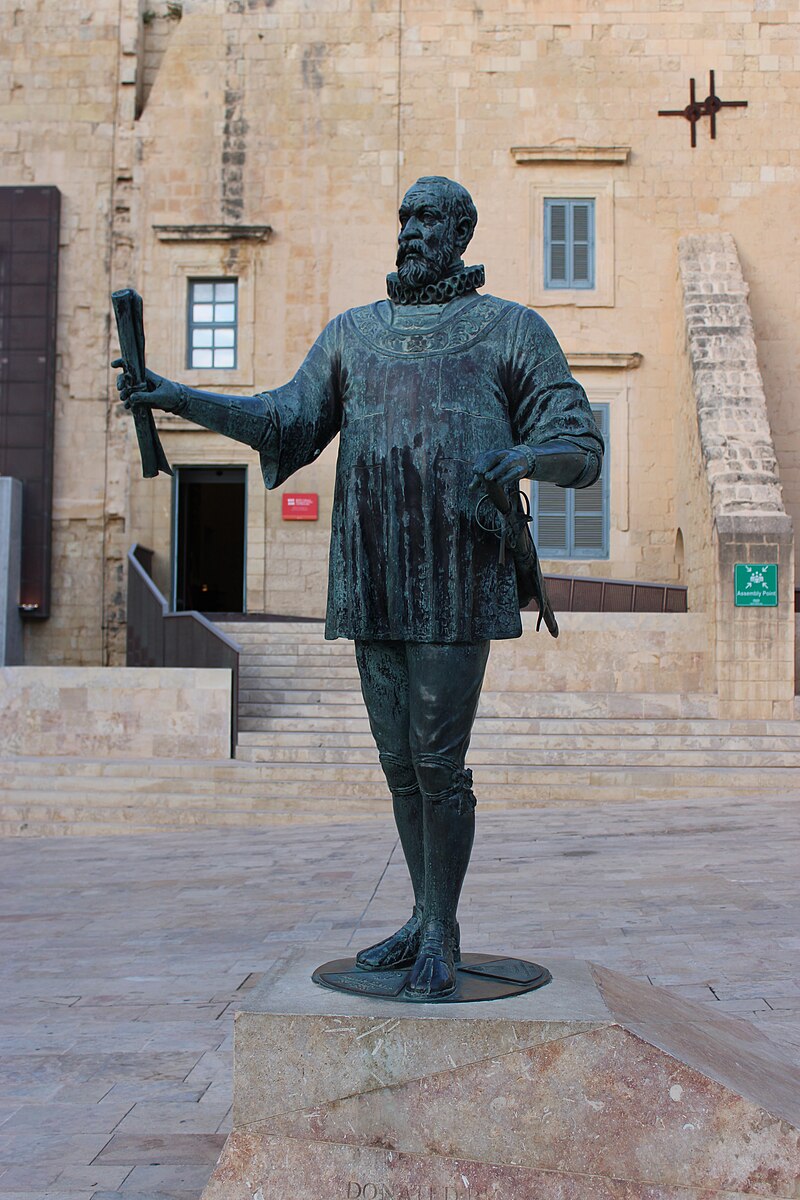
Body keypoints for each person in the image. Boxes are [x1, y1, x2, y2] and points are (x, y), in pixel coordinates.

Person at [115, 176, 603, 999]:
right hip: (373, 570)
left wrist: (528, 456)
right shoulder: (353, 335)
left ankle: (442, 929)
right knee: (399, 763)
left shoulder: (511, 330)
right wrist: (178, 399)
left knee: (438, 761)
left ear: (461, 233)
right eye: (404, 216)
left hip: (457, 572)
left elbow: (579, 443)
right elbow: (284, 420)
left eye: (428, 218)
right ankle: (421, 914)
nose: (410, 230)